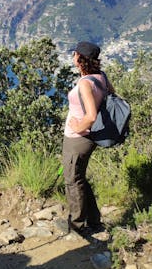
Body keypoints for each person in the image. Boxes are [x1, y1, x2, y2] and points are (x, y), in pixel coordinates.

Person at [62, 41, 113, 234]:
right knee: (79, 178)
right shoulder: (101, 77)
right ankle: (93, 221)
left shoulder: (85, 83)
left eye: (75, 54)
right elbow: (111, 96)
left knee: (72, 180)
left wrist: (77, 126)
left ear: (80, 59)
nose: (73, 56)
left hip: (78, 139)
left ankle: (76, 226)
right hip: (88, 138)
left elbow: (91, 116)